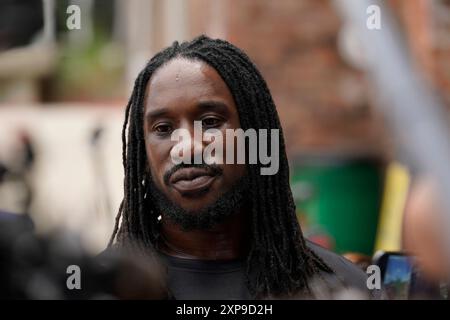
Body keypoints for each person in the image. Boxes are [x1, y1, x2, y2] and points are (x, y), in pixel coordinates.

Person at [106, 35, 379, 300]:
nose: (186, 147)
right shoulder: (103, 289)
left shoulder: (342, 286)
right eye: (163, 128)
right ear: (142, 153)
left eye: (210, 122)